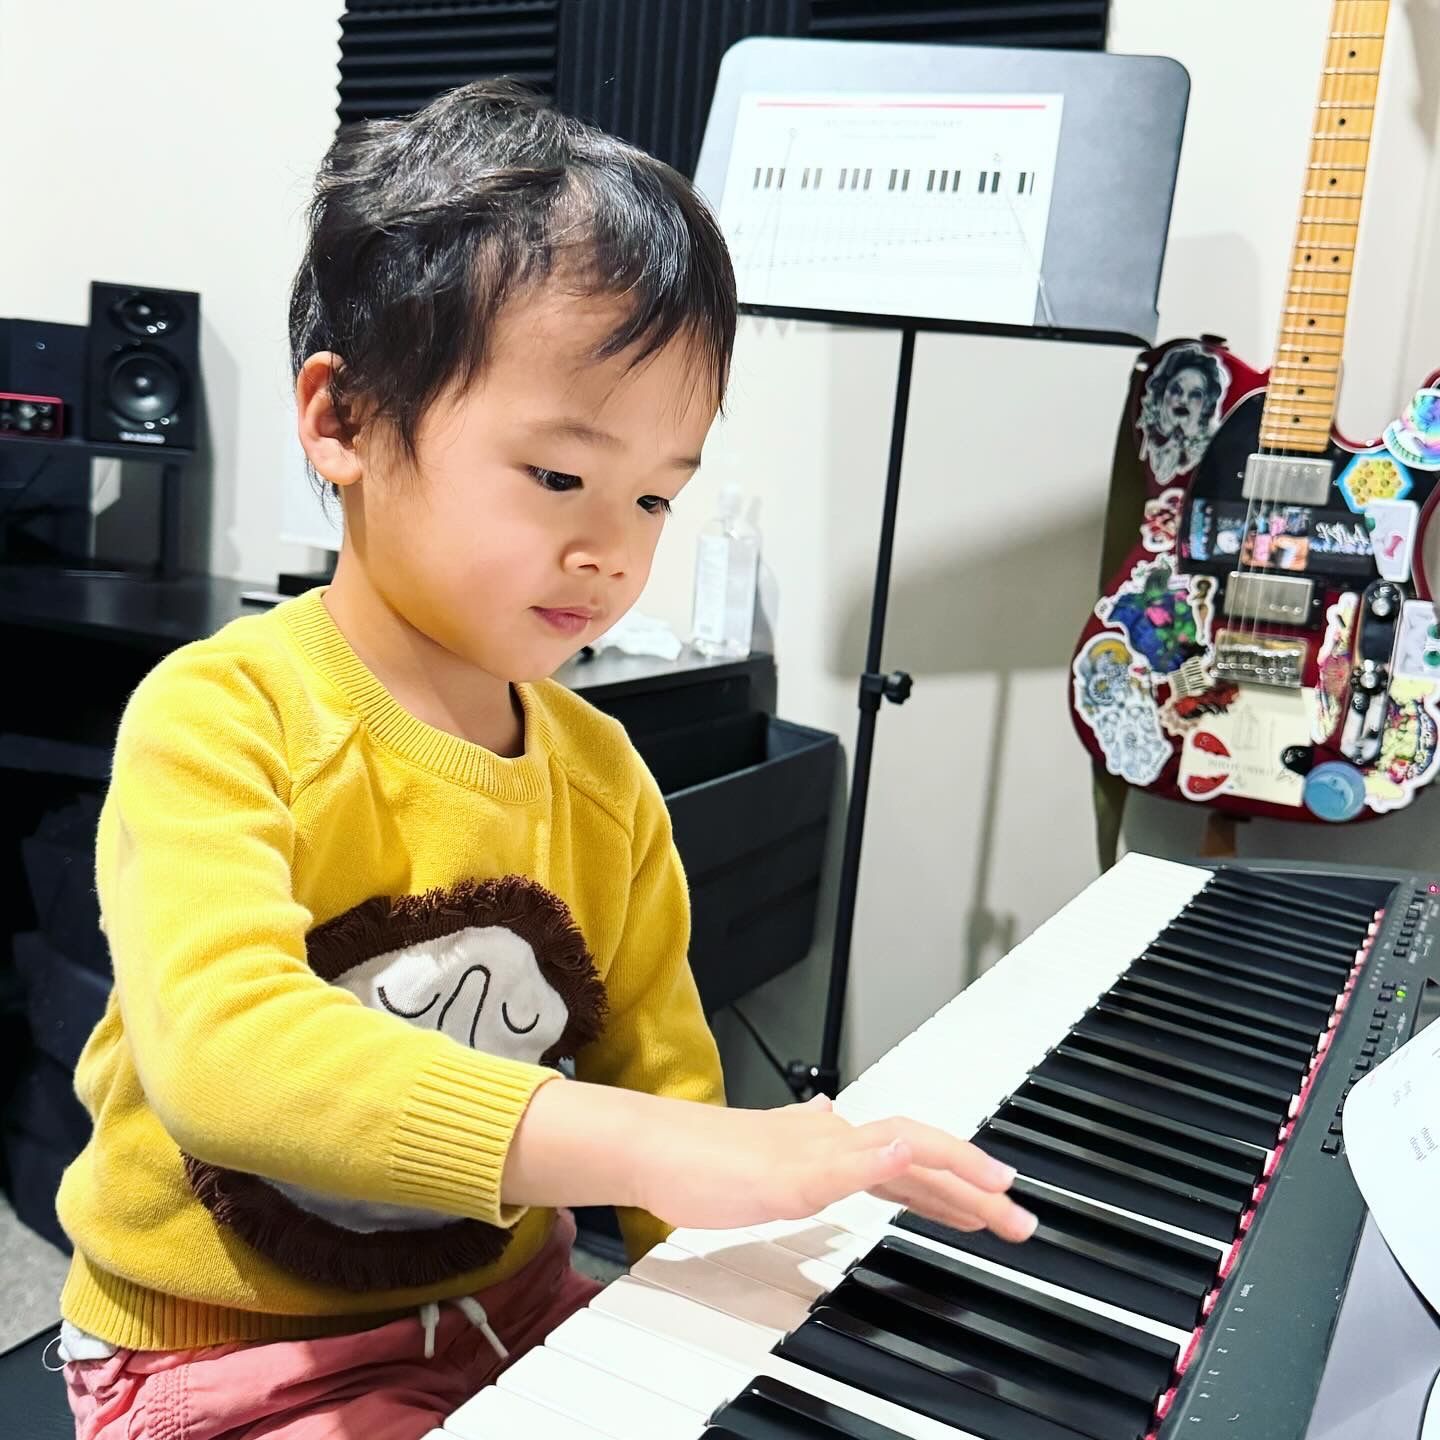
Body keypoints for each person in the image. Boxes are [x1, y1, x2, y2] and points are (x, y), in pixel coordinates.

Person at [55, 80, 1035, 1440]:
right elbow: (231, 1057)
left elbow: (664, 1081)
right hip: (235, 1354)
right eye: (562, 479)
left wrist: (773, 1299)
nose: (616, 552)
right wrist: (667, 1146)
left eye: (655, 497)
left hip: (513, 1308)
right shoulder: (224, 715)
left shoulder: (602, 776)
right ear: (342, 422)